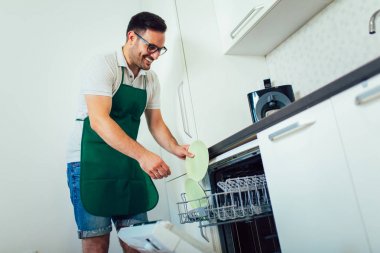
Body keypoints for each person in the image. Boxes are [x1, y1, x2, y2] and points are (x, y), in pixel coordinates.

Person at [66, 11, 193, 253]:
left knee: (137, 241)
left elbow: (156, 123)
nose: (155, 55)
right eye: (152, 47)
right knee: (96, 242)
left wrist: (176, 147)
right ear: (132, 37)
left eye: (160, 49)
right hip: (89, 164)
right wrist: (144, 156)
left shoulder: (150, 79)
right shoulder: (103, 65)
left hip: (127, 162)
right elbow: (99, 121)